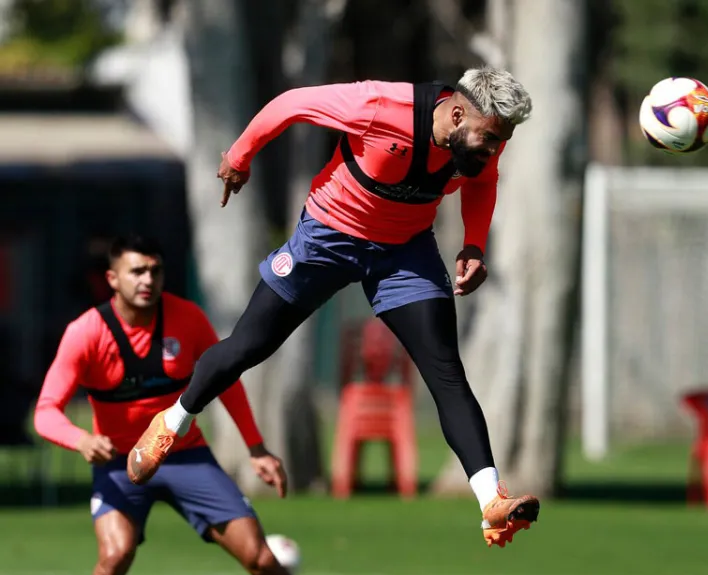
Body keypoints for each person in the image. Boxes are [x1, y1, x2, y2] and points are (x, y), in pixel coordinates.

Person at [128, 65, 540, 548]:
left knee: (447, 373)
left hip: (404, 251)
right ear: (454, 113)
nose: (494, 151)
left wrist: (473, 245)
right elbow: (289, 105)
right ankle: (173, 421)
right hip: (327, 239)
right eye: (490, 140)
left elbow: (482, 183)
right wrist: (240, 156)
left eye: (500, 143)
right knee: (246, 348)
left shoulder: (482, 135)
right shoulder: (379, 108)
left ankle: (490, 501)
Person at [34, 234, 299, 575]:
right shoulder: (85, 333)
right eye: (137, 271)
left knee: (261, 558)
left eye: (155, 271)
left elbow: (227, 381)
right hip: (119, 463)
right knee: (114, 556)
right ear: (112, 279)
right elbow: (46, 412)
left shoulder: (187, 318)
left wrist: (255, 447)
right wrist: (82, 441)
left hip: (187, 456)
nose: (148, 280)